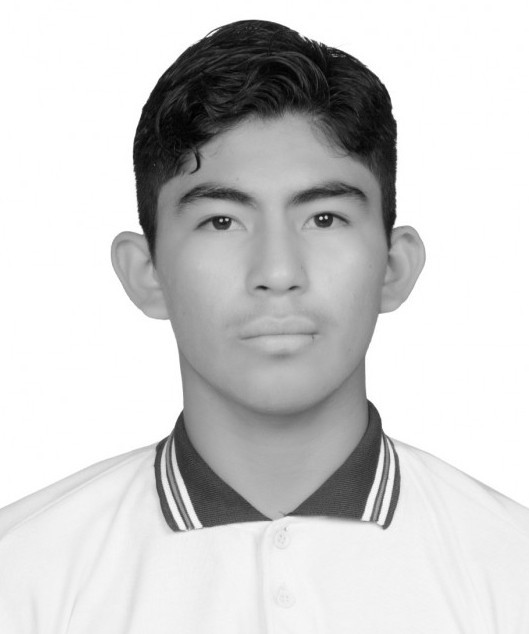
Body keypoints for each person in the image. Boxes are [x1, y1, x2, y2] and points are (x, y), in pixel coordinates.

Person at [0, 18, 528, 633]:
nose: (278, 272)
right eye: (222, 222)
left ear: (394, 266)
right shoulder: (23, 576)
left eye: (324, 218)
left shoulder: (510, 572)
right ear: (146, 272)